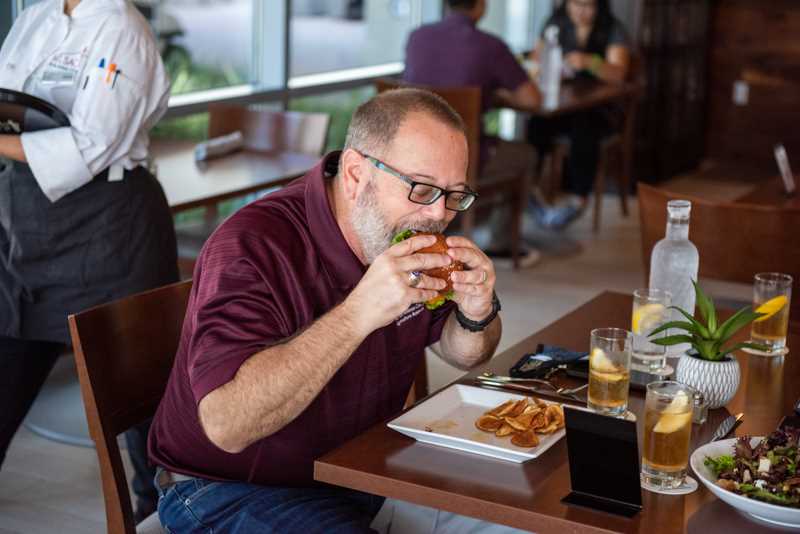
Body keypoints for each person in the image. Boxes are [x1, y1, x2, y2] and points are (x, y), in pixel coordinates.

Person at [148, 88, 505, 532]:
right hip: (226, 488)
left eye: (454, 195)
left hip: (360, 470)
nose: (438, 214)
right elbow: (228, 426)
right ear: (356, 174)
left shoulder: (399, 237)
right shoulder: (251, 246)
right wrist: (360, 312)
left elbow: (464, 353)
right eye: (422, 188)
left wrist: (476, 311)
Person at [0, 0, 178, 523]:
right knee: (7, 357)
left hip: (111, 227)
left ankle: (161, 509)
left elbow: (91, 147)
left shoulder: (123, 27)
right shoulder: (36, 17)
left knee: (139, 388)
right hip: (26, 222)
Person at [403, 0, 542, 265]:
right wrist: (494, 92)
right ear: (481, 6)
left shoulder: (417, 37)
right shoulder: (491, 46)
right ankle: (500, 242)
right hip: (465, 159)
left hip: (412, 156)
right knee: (526, 153)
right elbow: (531, 100)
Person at [528, 0, 631, 229]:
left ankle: (579, 198)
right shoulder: (555, 22)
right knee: (537, 122)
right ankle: (530, 191)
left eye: (588, 6)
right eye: (576, 4)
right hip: (564, 102)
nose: (581, 11)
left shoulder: (612, 28)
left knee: (584, 126)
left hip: (602, 108)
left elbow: (619, 74)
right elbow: (536, 60)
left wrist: (589, 62)